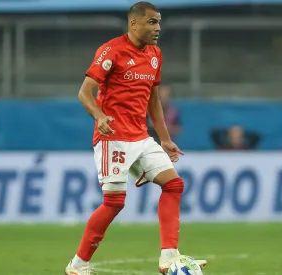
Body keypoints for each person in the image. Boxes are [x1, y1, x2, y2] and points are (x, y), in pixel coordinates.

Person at [64, 2, 207, 275]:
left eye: (159, 22)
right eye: (152, 22)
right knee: (115, 202)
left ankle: (168, 258)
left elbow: (153, 99)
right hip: (113, 137)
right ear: (134, 24)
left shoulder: (155, 55)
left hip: (141, 137)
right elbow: (85, 92)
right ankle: (78, 265)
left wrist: (164, 139)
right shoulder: (111, 51)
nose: (158, 28)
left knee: (174, 185)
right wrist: (99, 116)